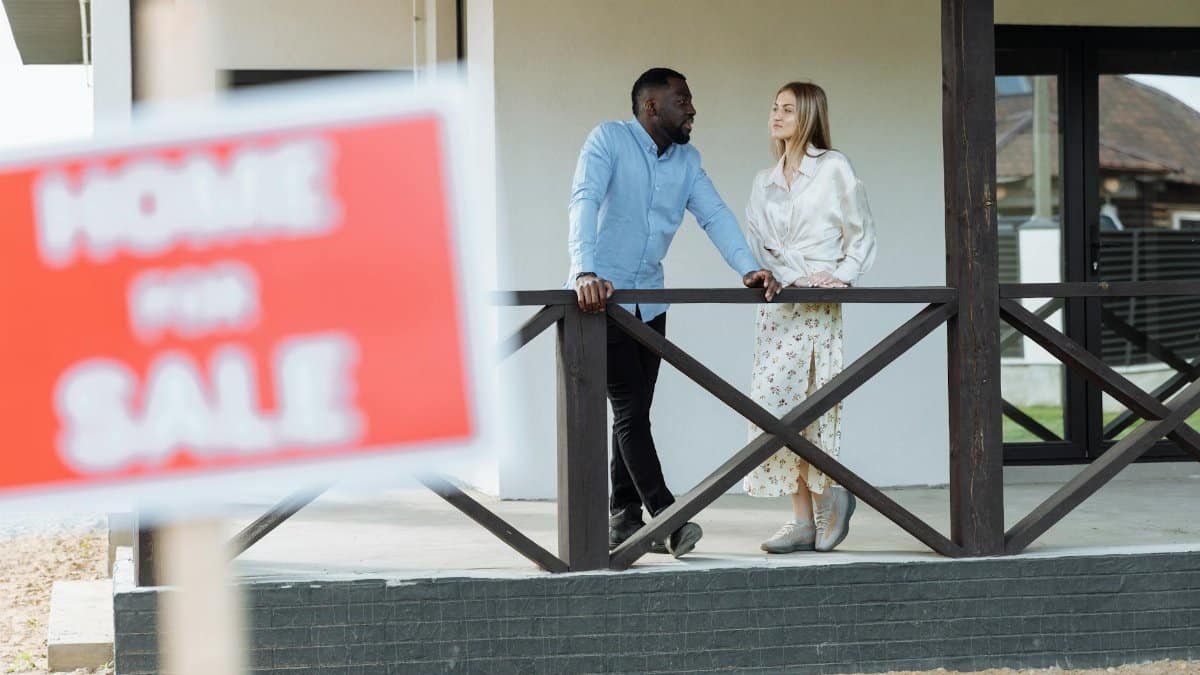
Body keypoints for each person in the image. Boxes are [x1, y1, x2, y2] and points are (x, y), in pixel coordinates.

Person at [568, 67, 782, 558]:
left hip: (652, 302)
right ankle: (668, 517)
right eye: (682, 100)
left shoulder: (688, 161)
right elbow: (583, 200)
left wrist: (748, 268)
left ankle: (622, 516)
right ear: (651, 107)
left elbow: (715, 215)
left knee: (635, 413)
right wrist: (584, 271)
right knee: (628, 408)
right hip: (600, 300)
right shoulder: (608, 140)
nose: (692, 108)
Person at [741, 82, 877, 553]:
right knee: (773, 410)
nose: (776, 116)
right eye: (773, 107)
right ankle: (801, 519)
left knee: (815, 405)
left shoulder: (834, 167)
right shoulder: (764, 180)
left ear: (808, 116)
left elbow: (860, 229)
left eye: (787, 109)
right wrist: (771, 274)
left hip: (818, 302)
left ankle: (829, 497)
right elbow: (757, 240)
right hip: (778, 304)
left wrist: (845, 274)